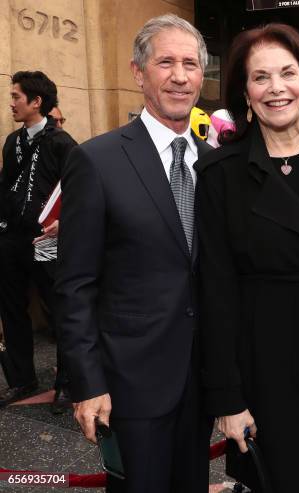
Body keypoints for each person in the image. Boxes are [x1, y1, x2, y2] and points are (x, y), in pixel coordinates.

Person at [195, 23, 299, 493]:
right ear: (244, 94)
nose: (276, 88)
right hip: (266, 362)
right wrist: (227, 398)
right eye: (260, 77)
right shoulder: (219, 174)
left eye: (287, 73)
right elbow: (215, 289)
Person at [55, 14, 213, 493]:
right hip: (130, 383)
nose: (180, 76)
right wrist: (87, 382)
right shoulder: (96, 160)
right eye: (166, 62)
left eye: (190, 64)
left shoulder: (213, 164)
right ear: (138, 72)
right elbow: (75, 283)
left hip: (202, 381)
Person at [0, 71, 76, 410]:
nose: (11, 102)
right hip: (12, 239)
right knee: (12, 308)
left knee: (60, 310)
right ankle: (21, 380)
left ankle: (68, 384)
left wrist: (65, 220)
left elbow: (81, 190)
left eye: (17, 96)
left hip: (47, 241)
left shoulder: (62, 142)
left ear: (36, 102)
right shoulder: (11, 142)